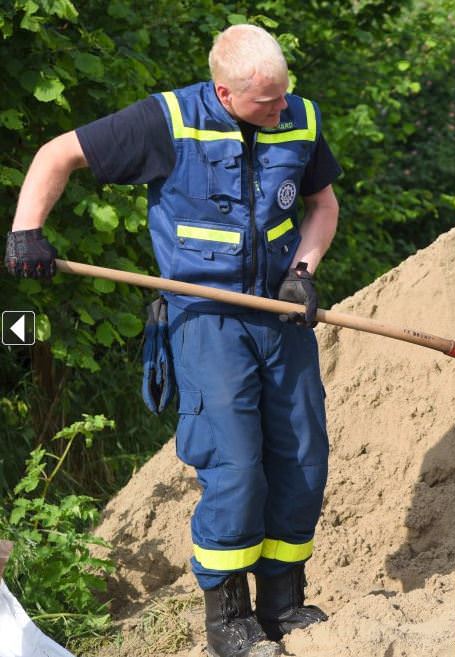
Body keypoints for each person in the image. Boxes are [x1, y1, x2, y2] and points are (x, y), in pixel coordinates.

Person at [5, 24, 340, 657]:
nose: (282, 108)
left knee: (302, 457)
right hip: (207, 321)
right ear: (224, 92)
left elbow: (322, 205)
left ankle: (284, 600)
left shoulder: (300, 117)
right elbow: (56, 154)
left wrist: (302, 271)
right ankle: (229, 616)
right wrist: (27, 230)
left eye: (284, 94)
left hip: (283, 317)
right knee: (234, 464)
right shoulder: (168, 121)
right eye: (267, 101)